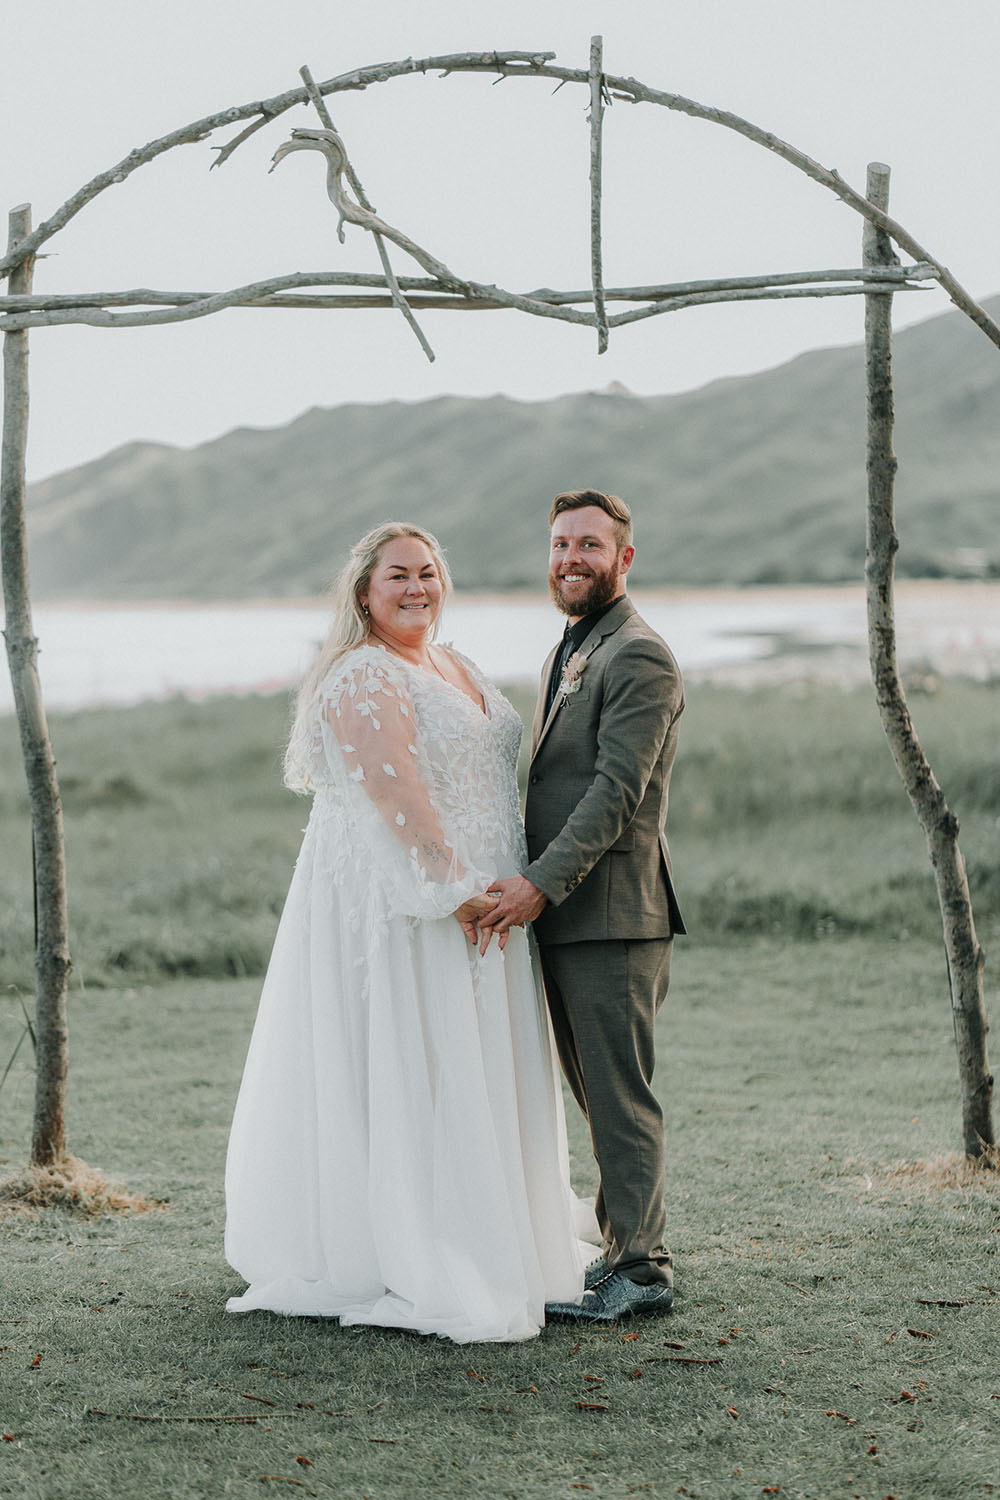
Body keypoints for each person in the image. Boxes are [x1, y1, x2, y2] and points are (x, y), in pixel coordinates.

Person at [224, 521, 592, 1343]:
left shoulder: (452, 663)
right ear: (365, 592)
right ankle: (424, 1243)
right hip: (420, 904)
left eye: (428, 572)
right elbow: (397, 795)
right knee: (422, 1056)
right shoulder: (362, 674)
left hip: (494, 899)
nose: (417, 586)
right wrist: (455, 889)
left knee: (477, 1057)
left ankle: (496, 1221)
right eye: (398, 576)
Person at [479, 489, 685, 1322]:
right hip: (573, 919)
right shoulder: (574, 647)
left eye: (590, 546)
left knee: (620, 1095)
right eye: (562, 544)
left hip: (613, 915)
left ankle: (643, 1270)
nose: (572, 558)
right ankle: (618, 1249)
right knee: (596, 1093)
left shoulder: (638, 655)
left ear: (624, 558)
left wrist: (537, 883)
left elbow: (614, 795)